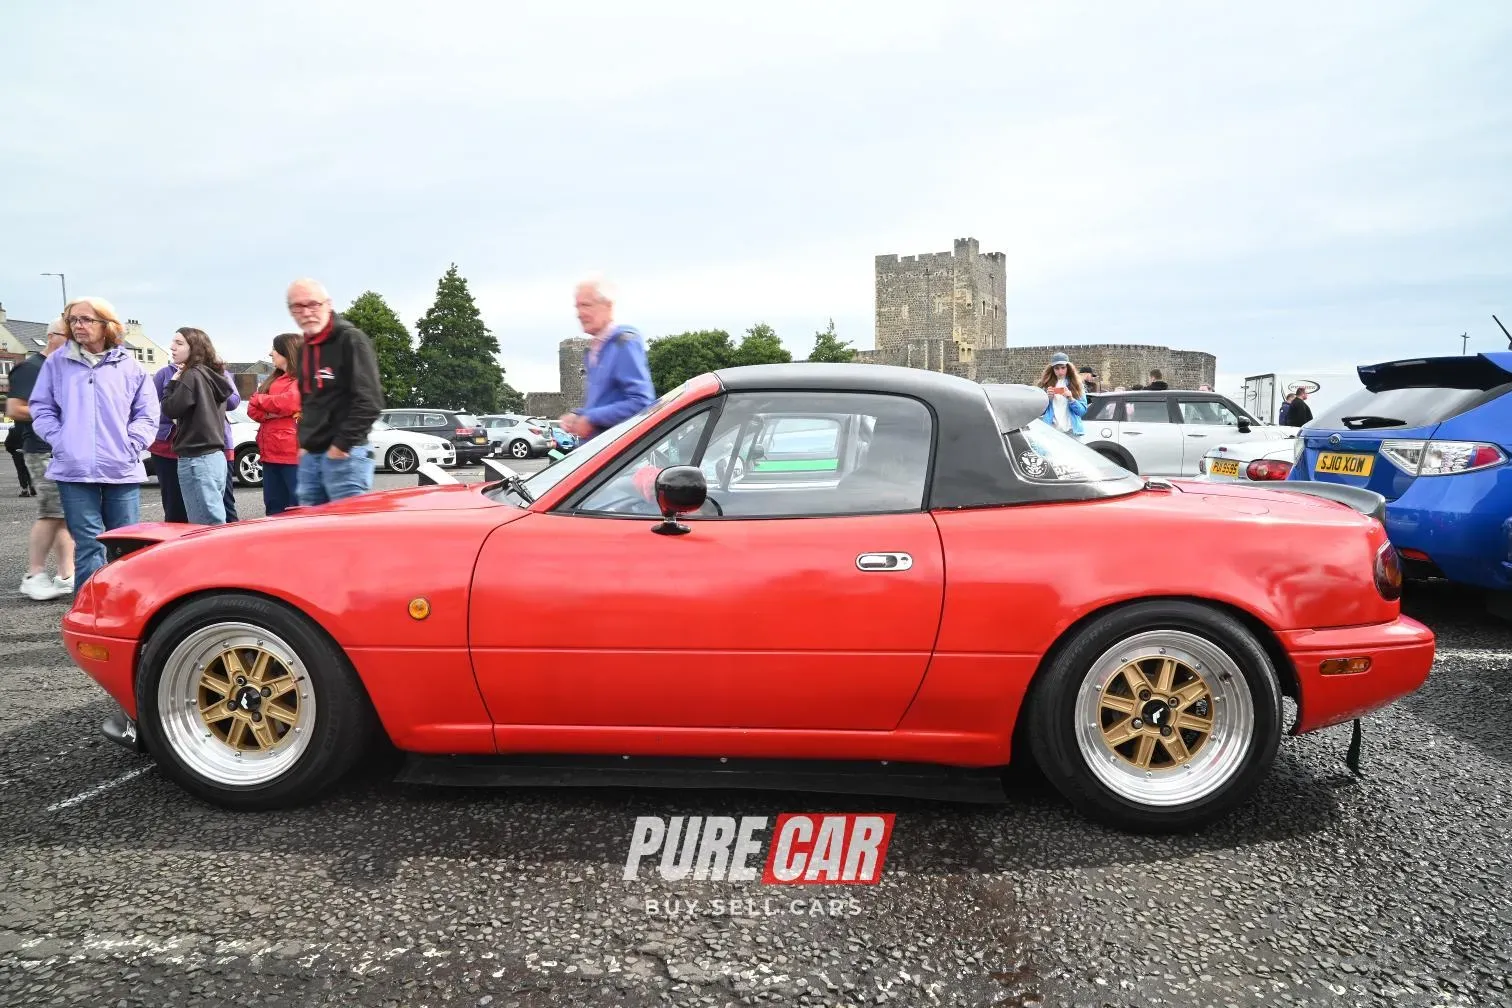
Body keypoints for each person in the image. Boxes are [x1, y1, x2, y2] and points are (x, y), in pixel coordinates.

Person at [27, 296, 158, 588]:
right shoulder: (56, 363)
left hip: (121, 468)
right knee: (88, 545)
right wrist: (61, 440)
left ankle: (126, 611)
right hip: (73, 469)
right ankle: (91, 614)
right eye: (73, 320)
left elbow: (148, 414)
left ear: (106, 324)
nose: (78, 325)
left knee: (125, 547)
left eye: (86, 319)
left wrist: (132, 443)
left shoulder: (130, 366)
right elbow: (41, 408)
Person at [285, 279, 384, 506]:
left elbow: (370, 401)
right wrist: (304, 445)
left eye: (313, 304)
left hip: (345, 457)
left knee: (347, 533)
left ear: (328, 304)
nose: (307, 312)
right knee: (312, 532)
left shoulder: (351, 340)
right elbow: (310, 403)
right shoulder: (305, 349)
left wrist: (340, 447)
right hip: (311, 458)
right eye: (298, 307)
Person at [6, 317, 75, 600]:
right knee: (51, 512)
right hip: (40, 448)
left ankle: (66, 574)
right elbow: (14, 408)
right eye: (68, 338)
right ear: (52, 337)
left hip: (57, 448)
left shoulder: (57, 368)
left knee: (61, 514)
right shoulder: (31, 367)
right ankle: (33, 574)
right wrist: (55, 413)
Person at [559, 277, 655, 441]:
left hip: (617, 460)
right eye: (577, 306)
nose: (579, 314)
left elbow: (642, 402)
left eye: (586, 305)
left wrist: (590, 418)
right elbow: (606, 404)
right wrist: (578, 416)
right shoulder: (597, 349)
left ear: (608, 305)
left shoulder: (624, 343)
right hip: (597, 455)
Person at [149, 356, 240, 523]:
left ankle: (228, 547)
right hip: (168, 449)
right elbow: (152, 405)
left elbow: (234, 401)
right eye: (173, 344)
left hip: (212, 445)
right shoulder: (164, 373)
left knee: (223, 506)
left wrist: (201, 391)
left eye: (179, 343)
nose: (173, 348)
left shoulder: (216, 371)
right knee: (175, 509)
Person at [246, 332, 304, 515]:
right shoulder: (273, 380)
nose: (270, 353)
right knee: (273, 508)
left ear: (286, 352)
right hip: (269, 454)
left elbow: (291, 401)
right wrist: (276, 411)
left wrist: (262, 400)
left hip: (293, 456)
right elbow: (251, 410)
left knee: (298, 509)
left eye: (274, 349)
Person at [1037, 352, 1088, 437]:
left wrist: (1071, 399)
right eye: (1056, 368)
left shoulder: (1077, 385)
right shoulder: (1045, 385)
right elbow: (1039, 411)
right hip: (1051, 432)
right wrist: (1047, 399)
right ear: (1052, 369)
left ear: (1068, 367)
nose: (1060, 371)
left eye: (1063, 368)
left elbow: (1082, 411)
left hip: (1072, 432)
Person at [6, 415, 32, 497]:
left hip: (17, 452)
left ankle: (25, 490)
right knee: (29, 470)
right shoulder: (30, 427)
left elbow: (8, 443)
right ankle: (33, 486)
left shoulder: (12, 429)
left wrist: (12, 452)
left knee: (21, 471)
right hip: (29, 452)